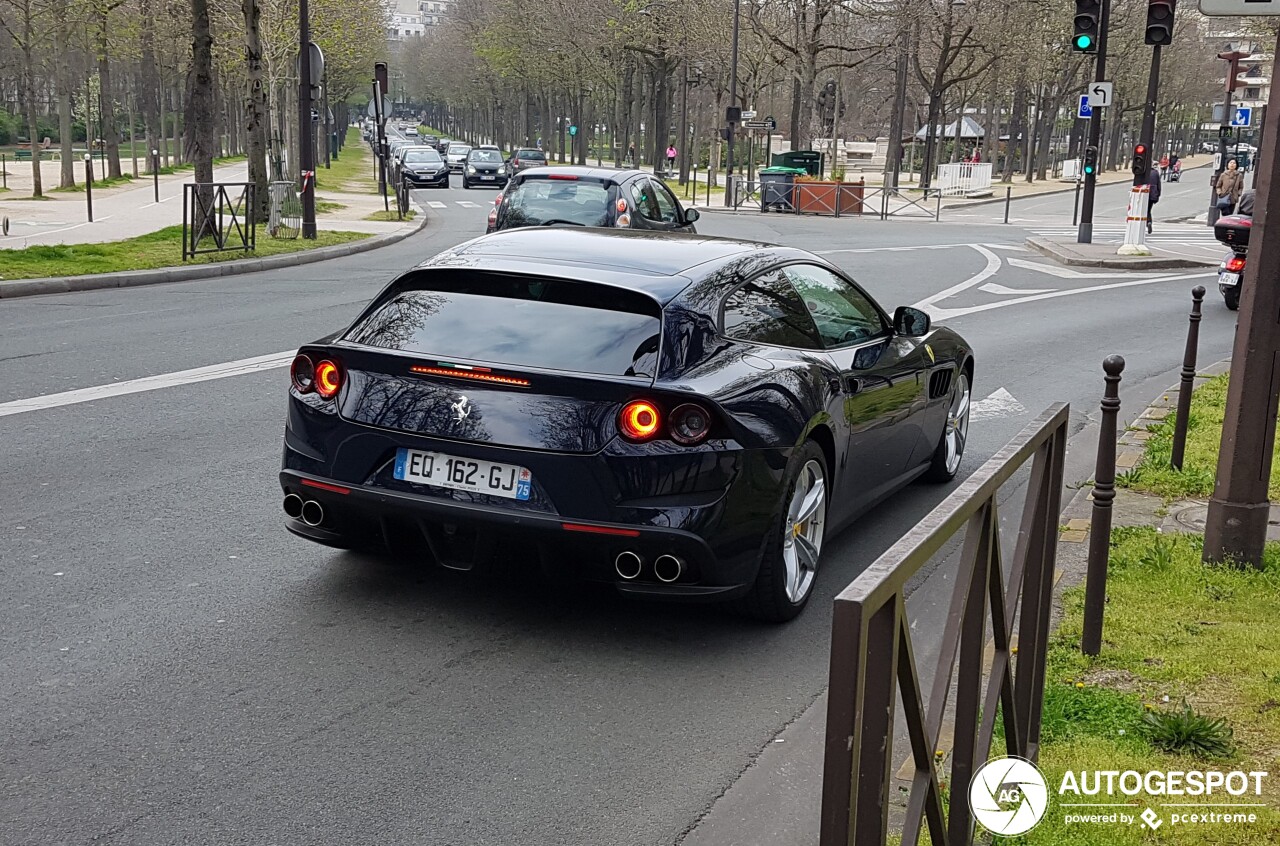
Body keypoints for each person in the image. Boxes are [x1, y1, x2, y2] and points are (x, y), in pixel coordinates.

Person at [1145, 165, 1161, 234]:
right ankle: (1149, 222)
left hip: (1145, 193)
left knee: (1144, 210)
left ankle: (1147, 222)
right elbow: (1159, 185)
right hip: (1153, 193)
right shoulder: (1156, 173)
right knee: (1148, 210)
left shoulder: (1144, 173)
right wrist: (1158, 195)